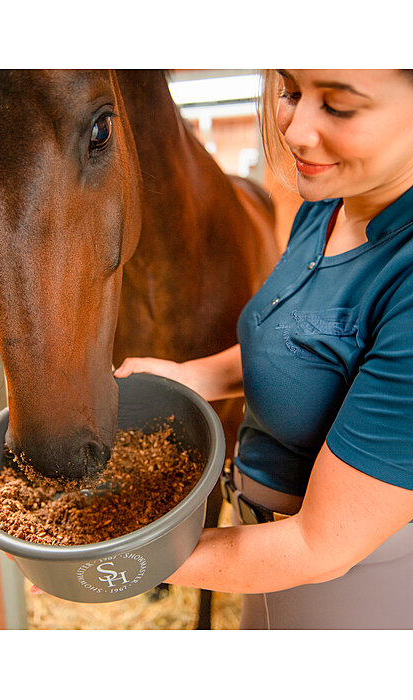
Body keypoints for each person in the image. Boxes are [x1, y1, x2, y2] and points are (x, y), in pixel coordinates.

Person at [113, 69, 413, 629]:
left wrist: (110, 555)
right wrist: (195, 377)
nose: (295, 131)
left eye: (340, 107)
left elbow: (319, 547)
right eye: (291, 93)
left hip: (349, 590)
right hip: (257, 553)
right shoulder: (323, 209)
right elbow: (303, 342)